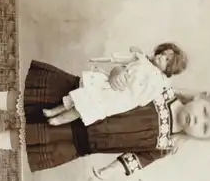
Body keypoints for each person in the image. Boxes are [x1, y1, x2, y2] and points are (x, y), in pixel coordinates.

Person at [0, 60, 210, 180]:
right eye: (205, 112)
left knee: (33, 137)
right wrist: (118, 73)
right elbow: (131, 68)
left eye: (205, 128)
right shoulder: (160, 89)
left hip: (83, 139)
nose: (198, 121)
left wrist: (112, 171)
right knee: (34, 102)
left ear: (201, 138)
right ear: (201, 97)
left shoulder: (165, 145)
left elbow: (136, 159)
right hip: (87, 101)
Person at [42, 42, 188, 127]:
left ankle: (58, 120)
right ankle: (54, 111)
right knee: (79, 96)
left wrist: (131, 85)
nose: (162, 57)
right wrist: (98, 60)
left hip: (118, 99)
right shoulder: (142, 59)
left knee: (84, 108)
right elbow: (117, 60)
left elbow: (142, 100)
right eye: (163, 54)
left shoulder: (157, 82)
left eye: (167, 60)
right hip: (110, 85)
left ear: (169, 69)